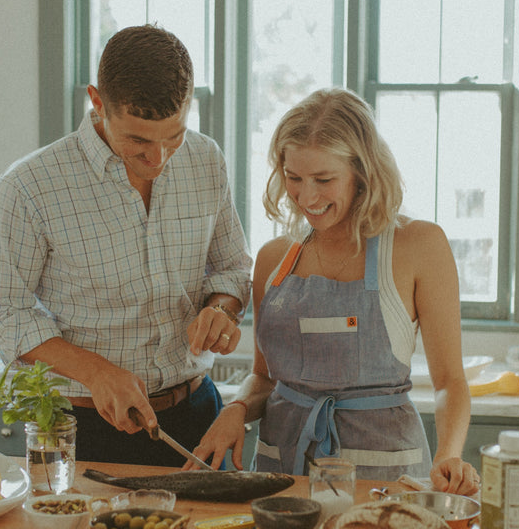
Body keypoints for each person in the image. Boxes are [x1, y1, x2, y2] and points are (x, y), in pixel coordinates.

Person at [0, 23, 251, 464]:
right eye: (138, 140)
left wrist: (221, 309)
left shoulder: (206, 159)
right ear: (97, 102)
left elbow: (233, 269)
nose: (158, 159)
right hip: (85, 428)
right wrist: (97, 373)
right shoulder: (29, 186)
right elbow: (2, 311)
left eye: (173, 136)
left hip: (198, 415)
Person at [189, 87, 480, 496]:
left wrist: (448, 455)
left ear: (362, 171)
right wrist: (236, 408)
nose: (307, 197)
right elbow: (263, 378)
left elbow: (450, 380)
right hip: (283, 473)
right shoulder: (274, 260)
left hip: (385, 478)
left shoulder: (418, 246)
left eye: (324, 180)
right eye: (294, 178)